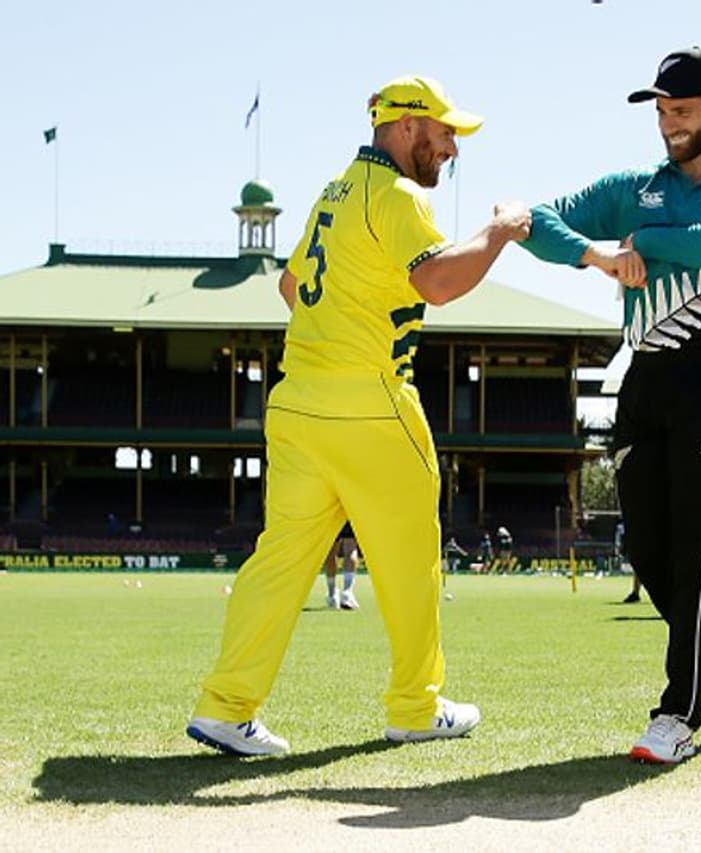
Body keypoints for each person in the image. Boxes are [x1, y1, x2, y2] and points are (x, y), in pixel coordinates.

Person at [186, 75, 530, 756]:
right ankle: (415, 705)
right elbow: (437, 280)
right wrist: (498, 231)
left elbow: (290, 285)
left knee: (280, 561)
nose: (452, 149)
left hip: (297, 401)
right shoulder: (396, 194)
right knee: (410, 559)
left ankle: (225, 707)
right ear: (405, 126)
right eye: (443, 132)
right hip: (372, 400)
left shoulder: (332, 191)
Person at [520, 46, 701, 764]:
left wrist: (645, 244)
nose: (669, 125)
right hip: (646, 376)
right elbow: (540, 221)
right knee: (646, 547)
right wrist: (599, 258)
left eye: (683, 111)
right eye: (662, 111)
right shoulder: (636, 187)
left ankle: (679, 711)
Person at [324, 522, 361, 610]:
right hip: (350, 513)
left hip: (332, 514)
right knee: (350, 548)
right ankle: (347, 593)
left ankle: (332, 593)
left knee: (331, 551)